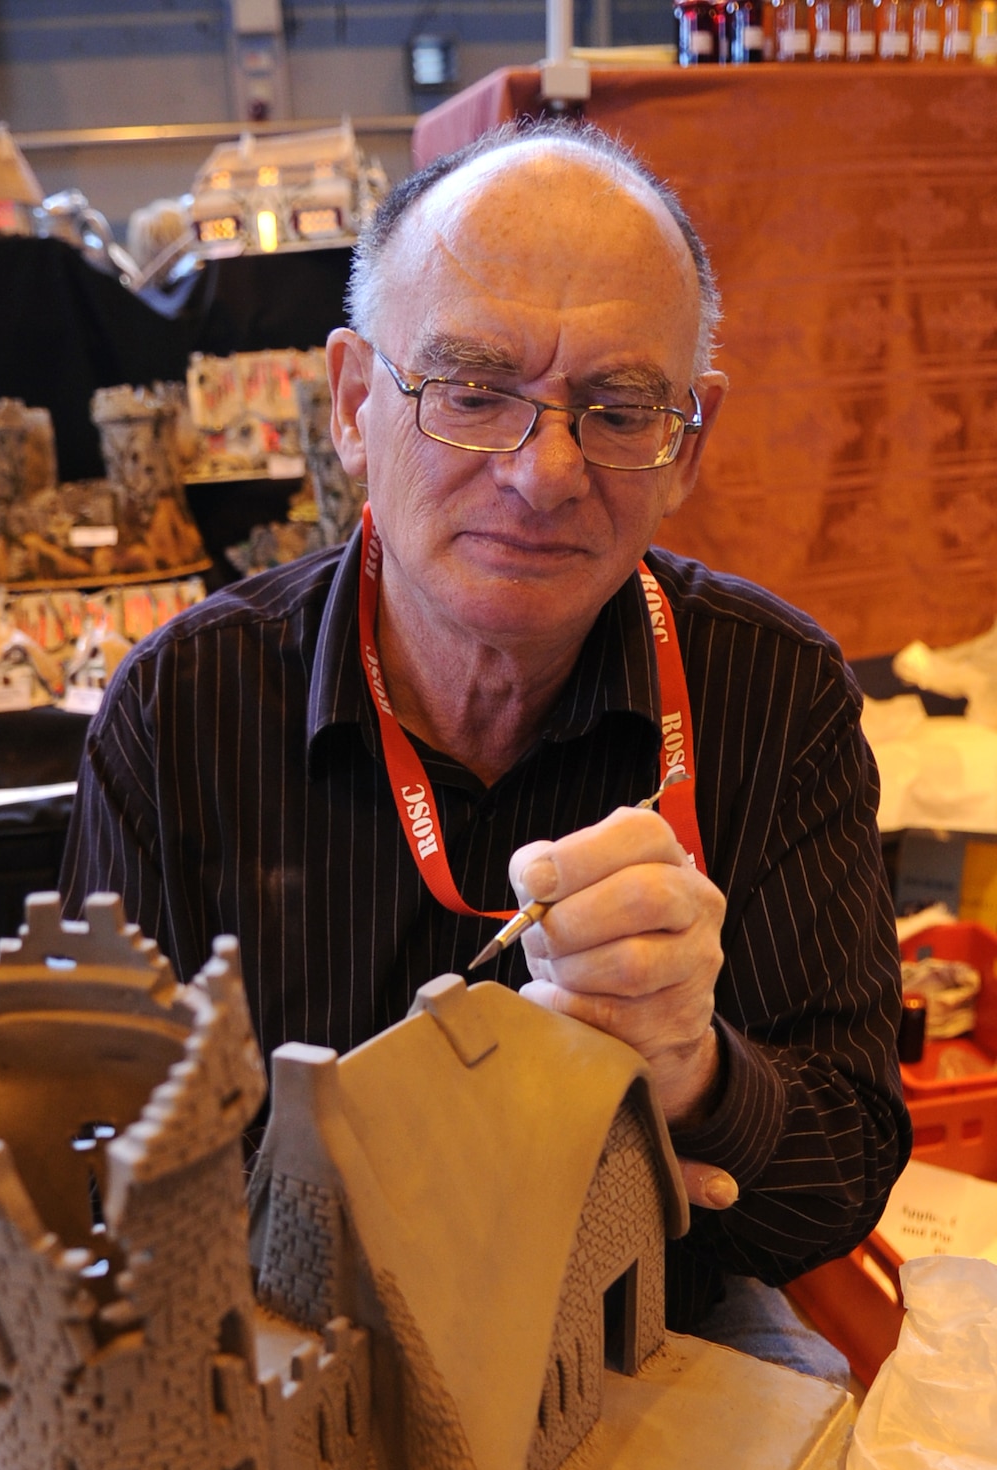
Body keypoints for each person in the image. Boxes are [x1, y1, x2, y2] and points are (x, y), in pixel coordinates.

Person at [61, 121, 909, 1378]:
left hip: (650, 1342)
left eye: (619, 408)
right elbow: (97, 1159)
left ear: (689, 440)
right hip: (293, 1355)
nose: (542, 471)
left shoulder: (768, 691)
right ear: (354, 404)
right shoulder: (182, 708)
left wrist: (690, 1070)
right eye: (468, 392)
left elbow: (836, 1186)